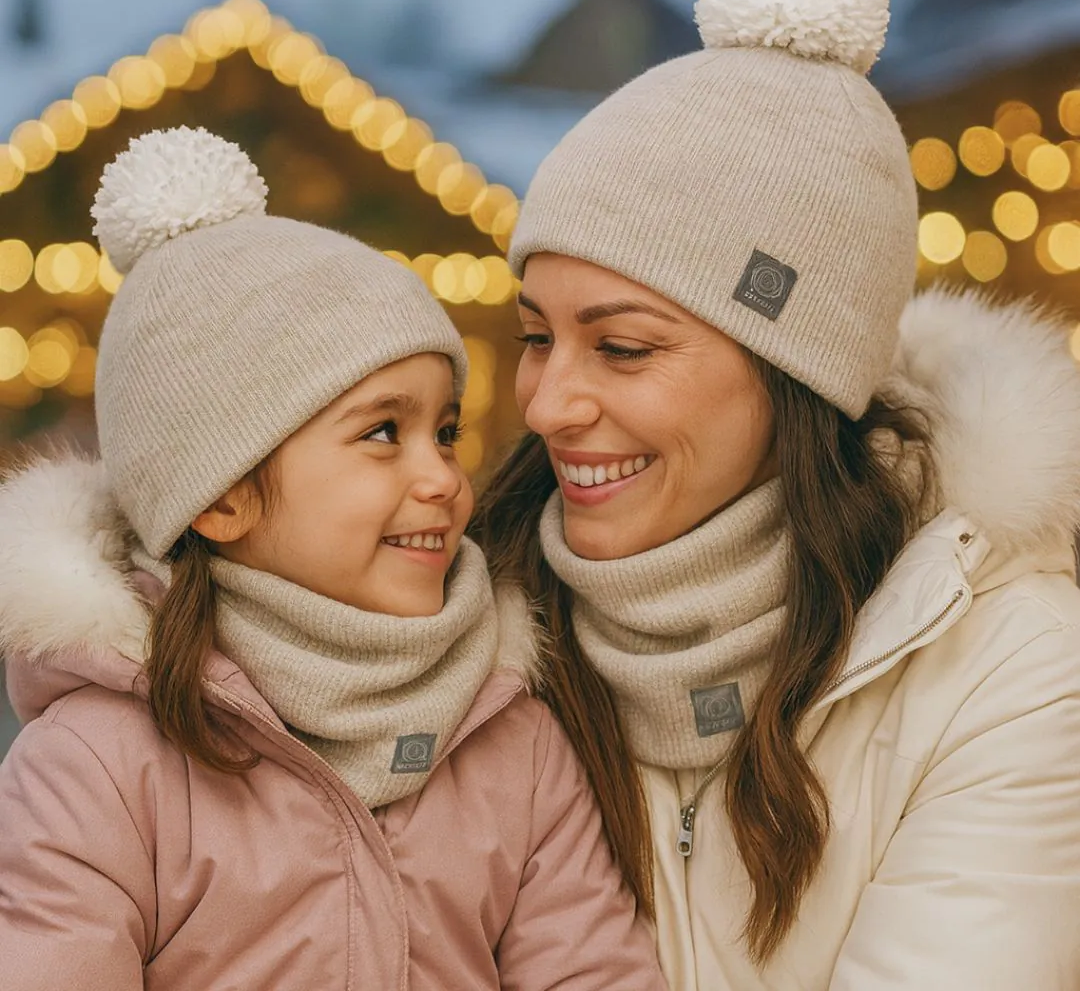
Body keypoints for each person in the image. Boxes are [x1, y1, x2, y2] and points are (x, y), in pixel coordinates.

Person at [469, 0, 1080, 989]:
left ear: (793, 375)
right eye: (535, 336)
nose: (550, 401)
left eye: (620, 346)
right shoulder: (469, 643)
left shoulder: (1011, 673)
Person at [0, 128, 667, 990]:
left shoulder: (513, 741)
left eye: (447, 431)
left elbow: (592, 971)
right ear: (222, 495)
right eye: (383, 433)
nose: (444, 478)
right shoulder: (100, 766)